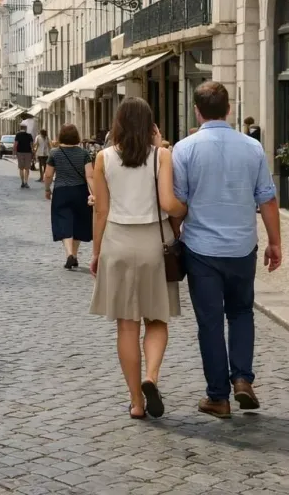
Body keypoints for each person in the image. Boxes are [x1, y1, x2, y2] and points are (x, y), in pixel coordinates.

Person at [172, 81, 281, 419]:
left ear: (196, 110)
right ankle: (243, 379)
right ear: (229, 109)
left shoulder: (184, 149)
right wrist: (275, 242)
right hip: (241, 246)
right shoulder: (252, 148)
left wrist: (174, 236)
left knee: (209, 322)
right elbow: (267, 198)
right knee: (241, 313)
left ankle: (218, 397)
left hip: (201, 249)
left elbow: (178, 204)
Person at [89, 97, 183, 420]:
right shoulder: (162, 155)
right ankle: (151, 377)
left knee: (126, 327)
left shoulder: (103, 158)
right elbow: (169, 203)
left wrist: (96, 252)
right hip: (154, 245)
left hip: (117, 243)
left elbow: (101, 211)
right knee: (156, 320)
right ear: (150, 125)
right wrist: (185, 210)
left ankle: (136, 403)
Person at [43, 124, 94, 270]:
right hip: (80, 191)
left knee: (63, 221)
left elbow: (48, 175)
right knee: (78, 222)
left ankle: (69, 254)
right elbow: (90, 175)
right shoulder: (84, 153)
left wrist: (47, 189)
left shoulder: (55, 153)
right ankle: (75, 255)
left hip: (61, 191)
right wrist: (95, 193)